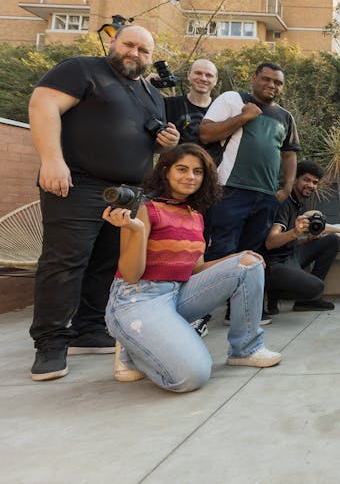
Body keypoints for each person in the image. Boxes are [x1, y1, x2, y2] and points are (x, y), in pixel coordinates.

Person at [28, 24, 181, 381]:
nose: (135, 53)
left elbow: (146, 142)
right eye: (129, 44)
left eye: (144, 50)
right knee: (64, 264)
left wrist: (167, 143)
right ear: (113, 41)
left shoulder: (151, 93)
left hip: (128, 191)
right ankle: (50, 343)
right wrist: (52, 160)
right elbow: (42, 104)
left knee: (107, 264)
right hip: (77, 183)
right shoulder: (81, 69)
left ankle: (89, 329)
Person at [103, 144, 281, 392]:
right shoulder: (144, 208)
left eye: (198, 172)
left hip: (177, 293)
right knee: (193, 376)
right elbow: (131, 275)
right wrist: (138, 231)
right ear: (165, 171)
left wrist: (236, 258)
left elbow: (195, 269)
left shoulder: (195, 215)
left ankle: (245, 349)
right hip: (138, 298)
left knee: (249, 264)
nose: (190, 177)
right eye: (182, 169)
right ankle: (132, 343)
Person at [199, 62, 300, 262]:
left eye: (278, 82)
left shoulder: (285, 116)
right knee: (220, 251)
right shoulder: (233, 99)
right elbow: (205, 134)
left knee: (250, 255)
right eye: (266, 79)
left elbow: (289, 154)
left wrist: (287, 188)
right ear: (254, 78)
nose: (272, 85)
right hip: (229, 190)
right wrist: (244, 117)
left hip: (267, 196)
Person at [261, 160, 340, 315]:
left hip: (291, 256)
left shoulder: (299, 203)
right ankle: (271, 290)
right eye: (306, 180)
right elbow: (270, 242)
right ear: (295, 179)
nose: (310, 185)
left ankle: (308, 302)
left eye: (315, 182)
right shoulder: (284, 202)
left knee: (333, 240)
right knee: (316, 287)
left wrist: (304, 240)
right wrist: (295, 233)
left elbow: (288, 241)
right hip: (274, 264)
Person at [162, 59, 222, 162]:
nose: (203, 78)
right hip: (173, 167)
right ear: (188, 75)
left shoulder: (222, 109)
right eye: (198, 73)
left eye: (209, 75)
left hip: (210, 169)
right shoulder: (167, 104)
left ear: (215, 80)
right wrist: (147, 85)